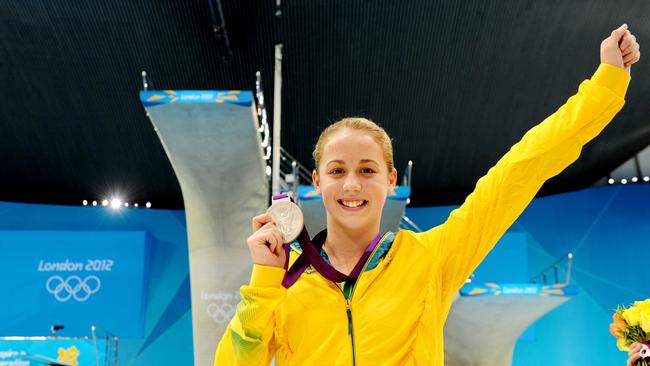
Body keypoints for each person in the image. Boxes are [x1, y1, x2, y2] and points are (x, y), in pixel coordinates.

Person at [215, 25, 641, 365]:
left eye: (367, 170)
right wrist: (265, 280)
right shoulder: (284, 279)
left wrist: (603, 89)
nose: (351, 185)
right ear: (318, 181)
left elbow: (520, 171)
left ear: (390, 179)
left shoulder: (430, 257)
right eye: (337, 171)